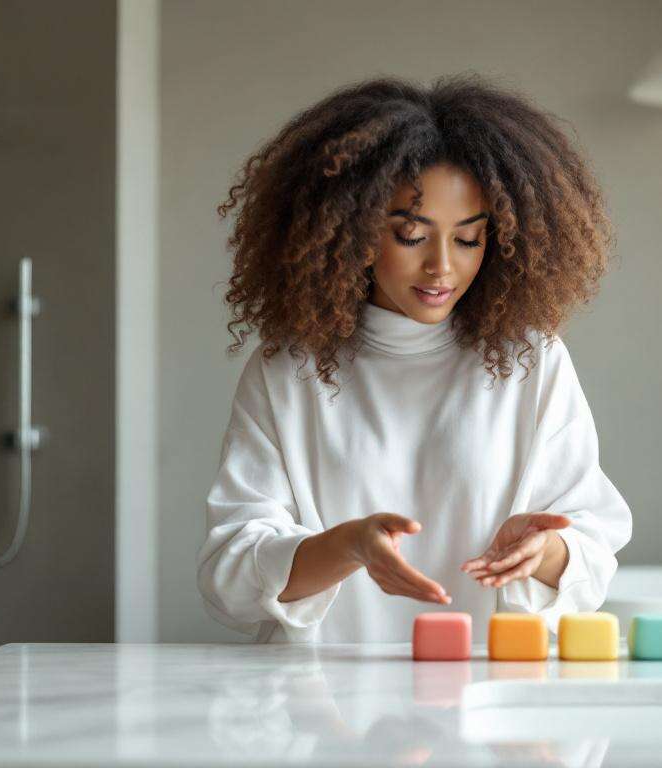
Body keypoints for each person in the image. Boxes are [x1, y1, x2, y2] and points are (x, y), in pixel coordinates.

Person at [197, 73, 632, 643]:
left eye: (468, 239)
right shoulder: (287, 370)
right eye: (410, 235)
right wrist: (348, 547)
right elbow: (229, 579)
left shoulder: (530, 361)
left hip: (485, 692)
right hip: (321, 695)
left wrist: (545, 550)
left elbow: (592, 558)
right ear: (352, 230)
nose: (441, 267)